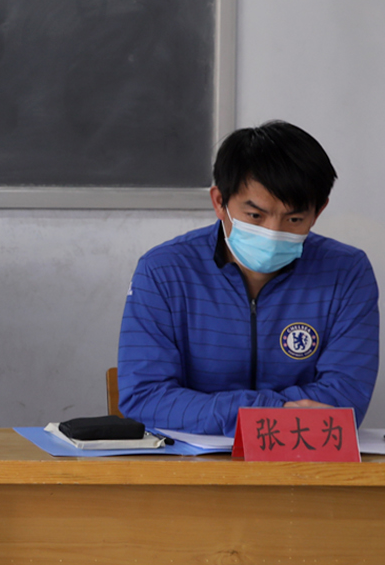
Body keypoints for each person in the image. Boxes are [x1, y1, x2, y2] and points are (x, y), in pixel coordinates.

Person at [118, 120, 379, 435]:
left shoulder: (347, 273)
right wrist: (269, 413)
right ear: (220, 202)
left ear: (318, 211)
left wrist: (232, 412)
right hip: (191, 461)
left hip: (302, 459)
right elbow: (144, 397)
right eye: (255, 215)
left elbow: (345, 398)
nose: (273, 232)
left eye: (294, 219)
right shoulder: (164, 272)